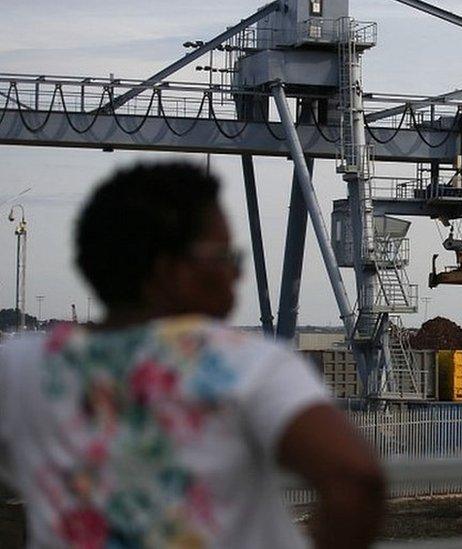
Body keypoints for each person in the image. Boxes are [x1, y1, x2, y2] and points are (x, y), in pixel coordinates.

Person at [0, 162, 385, 548]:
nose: (236, 276)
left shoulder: (19, 367)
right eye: (224, 258)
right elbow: (355, 480)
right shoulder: (243, 365)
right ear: (168, 270)